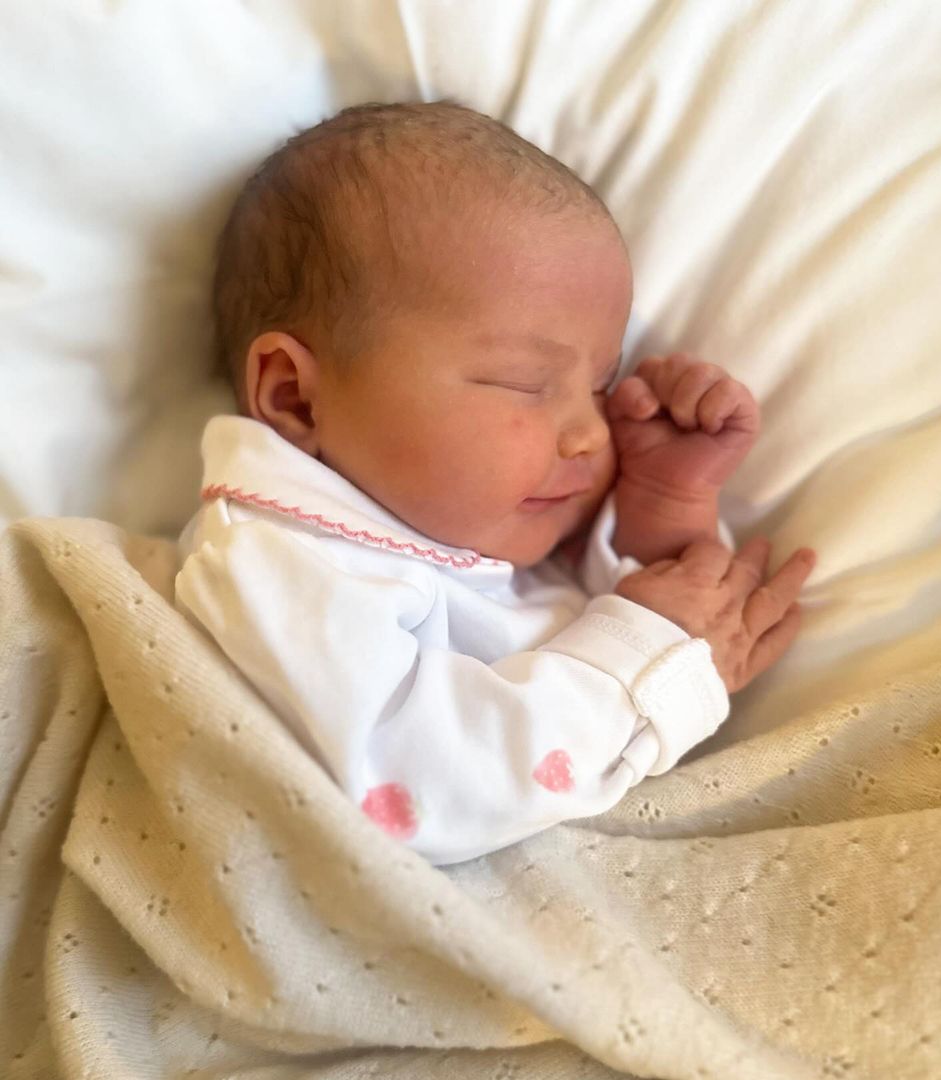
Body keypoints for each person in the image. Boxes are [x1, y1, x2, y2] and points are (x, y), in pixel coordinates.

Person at [174, 102, 814, 865]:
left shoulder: (477, 523)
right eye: (522, 383)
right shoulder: (277, 563)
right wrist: (647, 657)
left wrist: (665, 506)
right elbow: (407, 786)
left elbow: (590, 617)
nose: (590, 431)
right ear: (294, 397)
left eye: (601, 386)